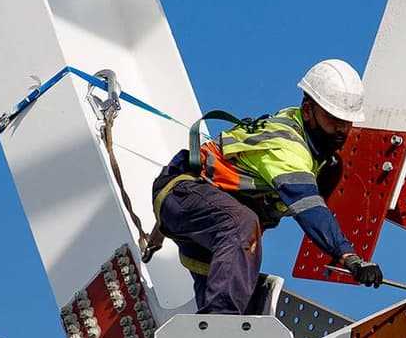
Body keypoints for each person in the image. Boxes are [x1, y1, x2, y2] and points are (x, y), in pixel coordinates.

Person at [149, 59, 384, 314]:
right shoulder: (286, 148)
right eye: (332, 118)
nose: (342, 129)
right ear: (307, 111)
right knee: (242, 226)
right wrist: (348, 257)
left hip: (206, 218)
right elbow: (309, 208)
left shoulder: (312, 147)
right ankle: (217, 329)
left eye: (347, 122)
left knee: (242, 297)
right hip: (185, 195)